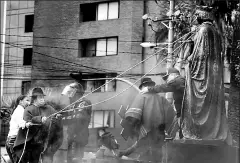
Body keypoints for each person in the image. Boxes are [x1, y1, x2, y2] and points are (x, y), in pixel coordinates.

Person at [180, 6, 232, 143]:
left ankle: (199, 132)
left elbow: (201, 55)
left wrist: (189, 60)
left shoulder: (203, 30)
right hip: (213, 76)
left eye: (196, 16)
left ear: (201, 16)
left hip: (203, 75)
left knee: (198, 105)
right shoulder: (214, 31)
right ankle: (211, 131)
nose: (195, 18)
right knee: (211, 104)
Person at [118, 77, 175, 162]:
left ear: (143, 87)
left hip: (146, 132)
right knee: (157, 155)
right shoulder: (161, 99)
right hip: (159, 133)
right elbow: (171, 115)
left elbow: (133, 116)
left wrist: (133, 125)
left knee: (145, 155)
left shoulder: (141, 97)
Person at [13, 87, 62, 163]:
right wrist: (40, 119)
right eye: (40, 98)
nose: (43, 99)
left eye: (43, 97)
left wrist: (57, 116)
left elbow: (55, 116)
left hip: (44, 141)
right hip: (30, 142)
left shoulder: (49, 108)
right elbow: (28, 122)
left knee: (46, 159)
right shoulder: (28, 109)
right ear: (35, 99)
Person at [61, 82, 92, 163]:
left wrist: (62, 118)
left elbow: (78, 117)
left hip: (79, 136)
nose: (69, 95)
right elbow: (68, 113)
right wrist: (59, 115)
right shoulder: (74, 103)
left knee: (76, 159)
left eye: (70, 92)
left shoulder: (84, 103)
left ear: (76, 93)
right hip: (72, 136)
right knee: (70, 159)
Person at [5, 95, 30, 163]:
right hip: (15, 141)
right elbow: (22, 124)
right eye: (27, 100)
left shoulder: (18, 110)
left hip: (11, 140)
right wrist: (28, 123)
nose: (29, 102)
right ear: (21, 102)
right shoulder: (20, 111)